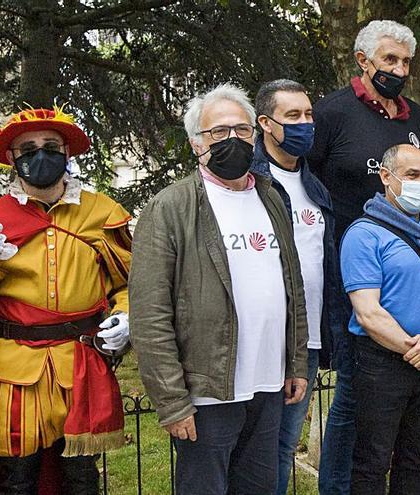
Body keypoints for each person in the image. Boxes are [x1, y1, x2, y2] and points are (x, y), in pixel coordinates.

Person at [129, 84, 310, 494]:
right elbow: (149, 314)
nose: (233, 140)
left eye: (242, 130)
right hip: (208, 392)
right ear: (197, 144)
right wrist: (173, 401)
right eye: (218, 132)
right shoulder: (171, 207)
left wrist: (296, 363)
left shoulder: (271, 199)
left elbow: (292, 288)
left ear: (256, 135)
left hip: (267, 386)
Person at [307, 20, 420, 493]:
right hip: (350, 270)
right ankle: (337, 485)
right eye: (389, 60)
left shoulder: (413, 115)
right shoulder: (331, 113)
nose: (398, 69)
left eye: (405, 62)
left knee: (393, 389)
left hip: (406, 269)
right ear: (363, 60)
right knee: (354, 392)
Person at [0, 106, 130, 494]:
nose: (40, 156)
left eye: (51, 146)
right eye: (28, 149)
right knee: (16, 479)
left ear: (67, 153)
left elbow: (131, 284)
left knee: (81, 480)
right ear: (11, 159)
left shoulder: (102, 212)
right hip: (14, 369)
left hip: (80, 365)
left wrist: (126, 317)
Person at [340, 144, 420, 494]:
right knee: (372, 461)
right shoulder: (364, 234)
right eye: (412, 175)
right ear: (386, 176)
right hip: (382, 363)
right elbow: (369, 312)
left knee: (415, 458)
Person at [249, 79, 347, 495]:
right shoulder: (249, 183)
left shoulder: (315, 187)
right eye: (294, 116)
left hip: (303, 339)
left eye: (309, 115)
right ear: (265, 123)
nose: (306, 124)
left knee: (284, 444)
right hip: (259, 334)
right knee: (250, 446)